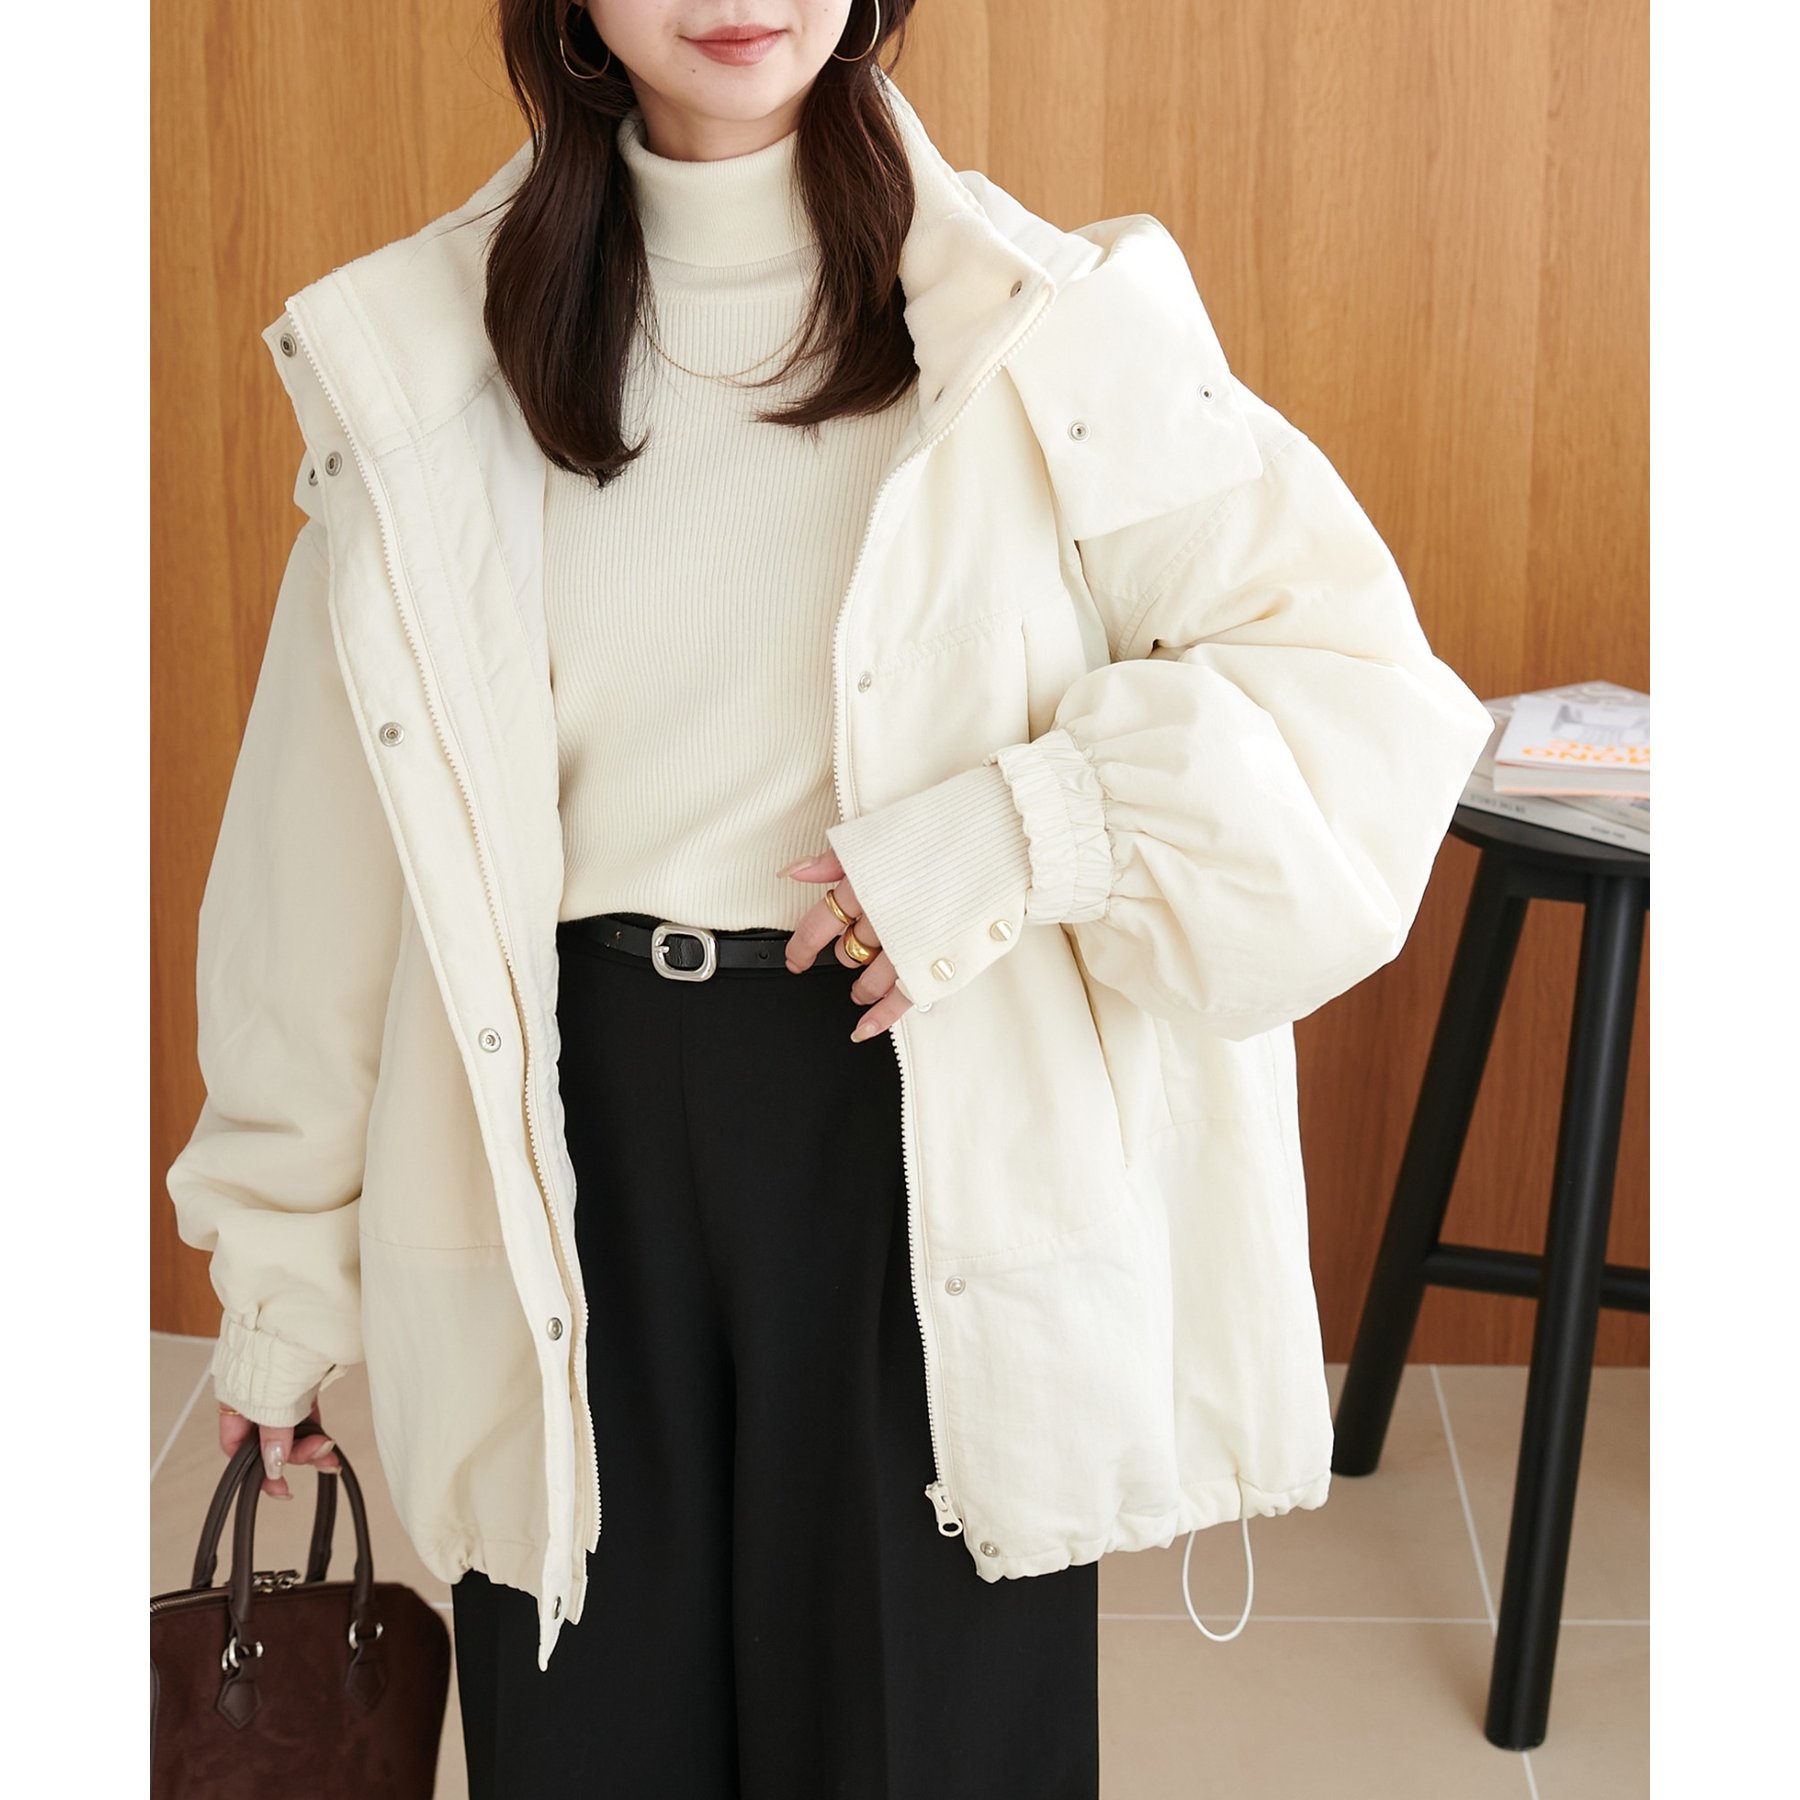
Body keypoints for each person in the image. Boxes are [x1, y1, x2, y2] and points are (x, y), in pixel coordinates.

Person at [167, 2, 1496, 1794]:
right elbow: (321, 858)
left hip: (912, 1116)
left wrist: (1027, 826)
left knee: (922, 1738)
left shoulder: (1042, 321)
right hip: (559, 1135)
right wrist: (278, 1275)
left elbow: (1358, 701)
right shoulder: (430, 356)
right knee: (590, 1735)